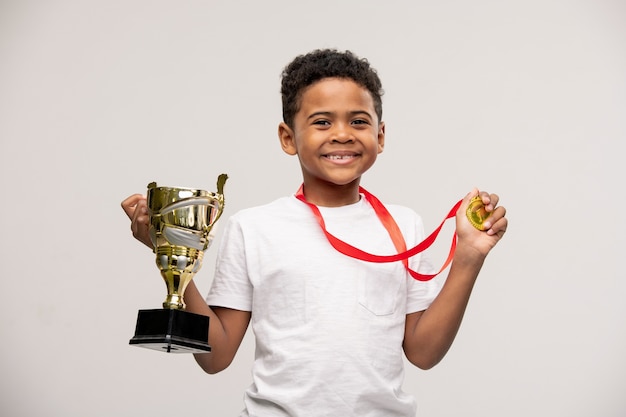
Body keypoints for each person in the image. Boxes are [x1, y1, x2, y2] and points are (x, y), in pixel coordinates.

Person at [121, 48, 507, 416]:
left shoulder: (406, 225)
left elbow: (424, 352)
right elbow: (216, 357)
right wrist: (169, 253)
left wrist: (469, 256)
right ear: (288, 138)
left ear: (381, 135)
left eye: (359, 121)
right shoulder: (254, 228)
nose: (342, 134)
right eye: (322, 121)